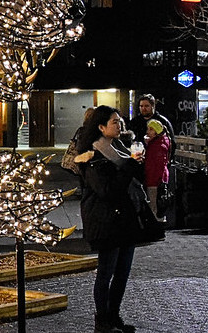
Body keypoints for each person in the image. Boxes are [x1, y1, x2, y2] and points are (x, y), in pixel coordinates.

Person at [74, 105, 144, 333]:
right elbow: (108, 190)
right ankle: (102, 320)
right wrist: (131, 166)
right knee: (107, 272)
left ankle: (114, 316)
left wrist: (136, 164)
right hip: (106, 221)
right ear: (101, 127)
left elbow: (132, 179)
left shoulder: (120, 148)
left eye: (120, 121)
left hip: (125, 219)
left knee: (123, 273)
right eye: (114, 122)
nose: (119, 124)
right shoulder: (92, 156)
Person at [127, 94, 176, 159]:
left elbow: (171, 143)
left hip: (157, 160)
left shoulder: (162, 122)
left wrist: (167, 160)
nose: (143, 108)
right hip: (138, 159)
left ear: (153, 106)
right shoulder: (134, 122)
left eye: (146, 106)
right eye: (141, 106)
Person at [143, 119, 170, 220]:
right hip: (155, 178)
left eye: (151, 129)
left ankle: (156, 226)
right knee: (155, 204)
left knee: (154, 205)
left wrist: (158, 180)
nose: (148, 131)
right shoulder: (158, 142)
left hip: (154, 180)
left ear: (156, 131)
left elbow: (159, 165)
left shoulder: (158, 145)